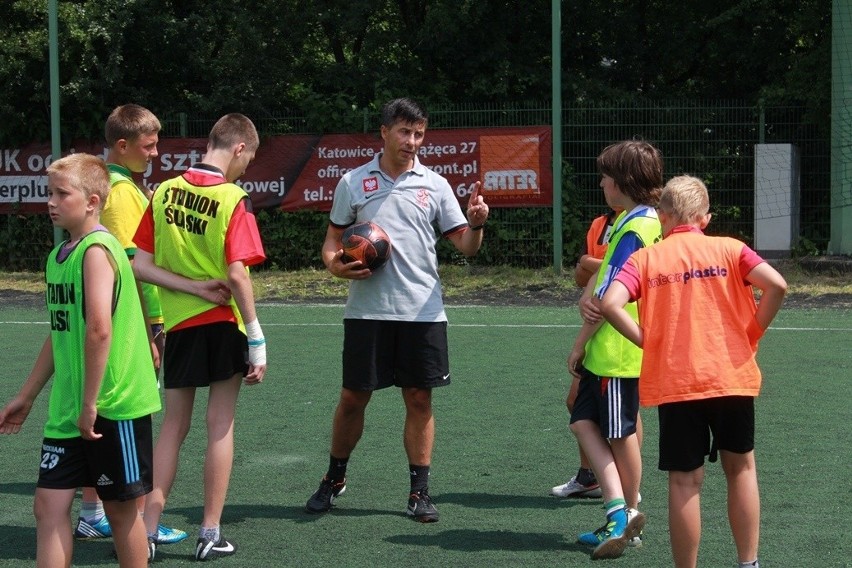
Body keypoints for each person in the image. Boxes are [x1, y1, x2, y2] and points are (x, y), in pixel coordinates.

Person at [305, 97, 489, 523]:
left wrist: (477, 224)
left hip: (422, 313)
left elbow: (466, 247)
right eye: (405, 132)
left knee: (419, 398)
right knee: (353, 398)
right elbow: (333, 242)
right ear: (384, 132)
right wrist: (336, 266)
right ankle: (334, 478)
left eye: (419, 133)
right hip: (366, 313)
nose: (412, 141)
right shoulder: (353, 182)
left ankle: (419, 493)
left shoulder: (436, 185)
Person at [600, 175, 787, 568]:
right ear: (704, 218)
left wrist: (648, 341)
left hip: (677, 383)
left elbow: (611, 303)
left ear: (663, 217)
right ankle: (748, 563)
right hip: (731, 376)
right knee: (742, 468)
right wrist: (750, 333)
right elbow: (777, 285)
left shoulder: (646, 258)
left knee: (685, 482)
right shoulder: (730, 248)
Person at [0, 153, 161, 567]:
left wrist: (91, 403)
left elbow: (98, 328)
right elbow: (61, 333)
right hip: (70, 409)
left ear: (92, 201)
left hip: (111, 406)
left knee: (122, 511)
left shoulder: (97, 249)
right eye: (48, 193)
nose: (51, 202)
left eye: (61, 193)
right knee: (47, 507)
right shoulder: (59, 257)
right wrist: (28, 396)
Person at [133, 113, 268, 561]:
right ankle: (209, 531)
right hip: (224, 324)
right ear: (238, 149)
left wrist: (189, 289)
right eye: (248, 159)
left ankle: (147, 531)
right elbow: (236, 273)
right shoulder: (234, 198)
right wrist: (256, 337)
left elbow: (141, 266)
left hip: (180, 327)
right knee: (219, 424)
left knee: (172, 426)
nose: (246, 169)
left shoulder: (164, 191)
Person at [74, 103, 189, 547]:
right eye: (149, 144)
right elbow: (127, 265)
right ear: (122, 146)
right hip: (136, 322)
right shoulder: (120, 192)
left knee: (104, 412)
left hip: (135, 320)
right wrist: (148, 330)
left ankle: (92, 513)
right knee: (128, 417)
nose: (156, 152)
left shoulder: (120, 184)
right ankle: (138, 521)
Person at [566, 140, 663, 559]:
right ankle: (619, 511)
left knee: (619, 435)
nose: (602, 182)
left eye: (606, 175)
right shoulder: (637, 220)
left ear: (623, 181)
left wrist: (579, 345)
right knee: (582, 422)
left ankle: (627, 513)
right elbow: (601, 278)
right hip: (613, 350)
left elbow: (607, 296)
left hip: (616, 351)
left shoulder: (635, 228)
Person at [551, 207, 620, 500]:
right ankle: (590, 475)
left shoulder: (642, 221)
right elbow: (583, 275)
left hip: (623, 331)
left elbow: (618, 269)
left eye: (608, 176)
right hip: (598, 329)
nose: (603, 182)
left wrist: (591, 263)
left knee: (623, 419)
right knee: (577, 404)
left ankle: (625, 486)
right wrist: (591, 265)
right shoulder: (599, 224)